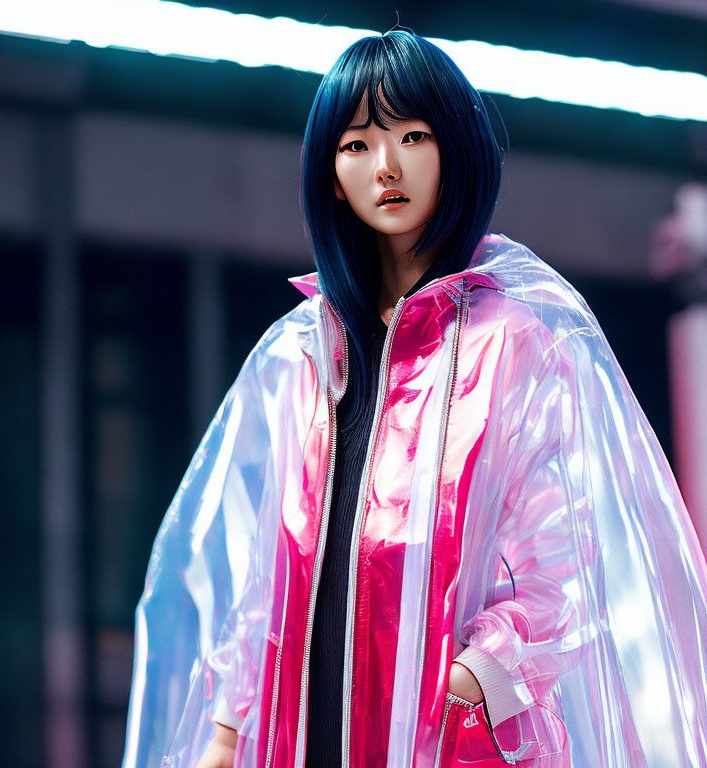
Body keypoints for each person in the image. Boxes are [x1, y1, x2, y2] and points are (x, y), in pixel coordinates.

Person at [121, 28, 707, 768]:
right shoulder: (305, 353)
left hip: (449, 741)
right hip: (302, 732)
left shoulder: (516, 339)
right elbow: (267, 575)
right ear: (331, 175)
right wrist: (226, 733)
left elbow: (567, 571)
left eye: (414, 134)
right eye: (357, 145)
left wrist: (470, 683)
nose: (387, 166)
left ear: (453, 148)